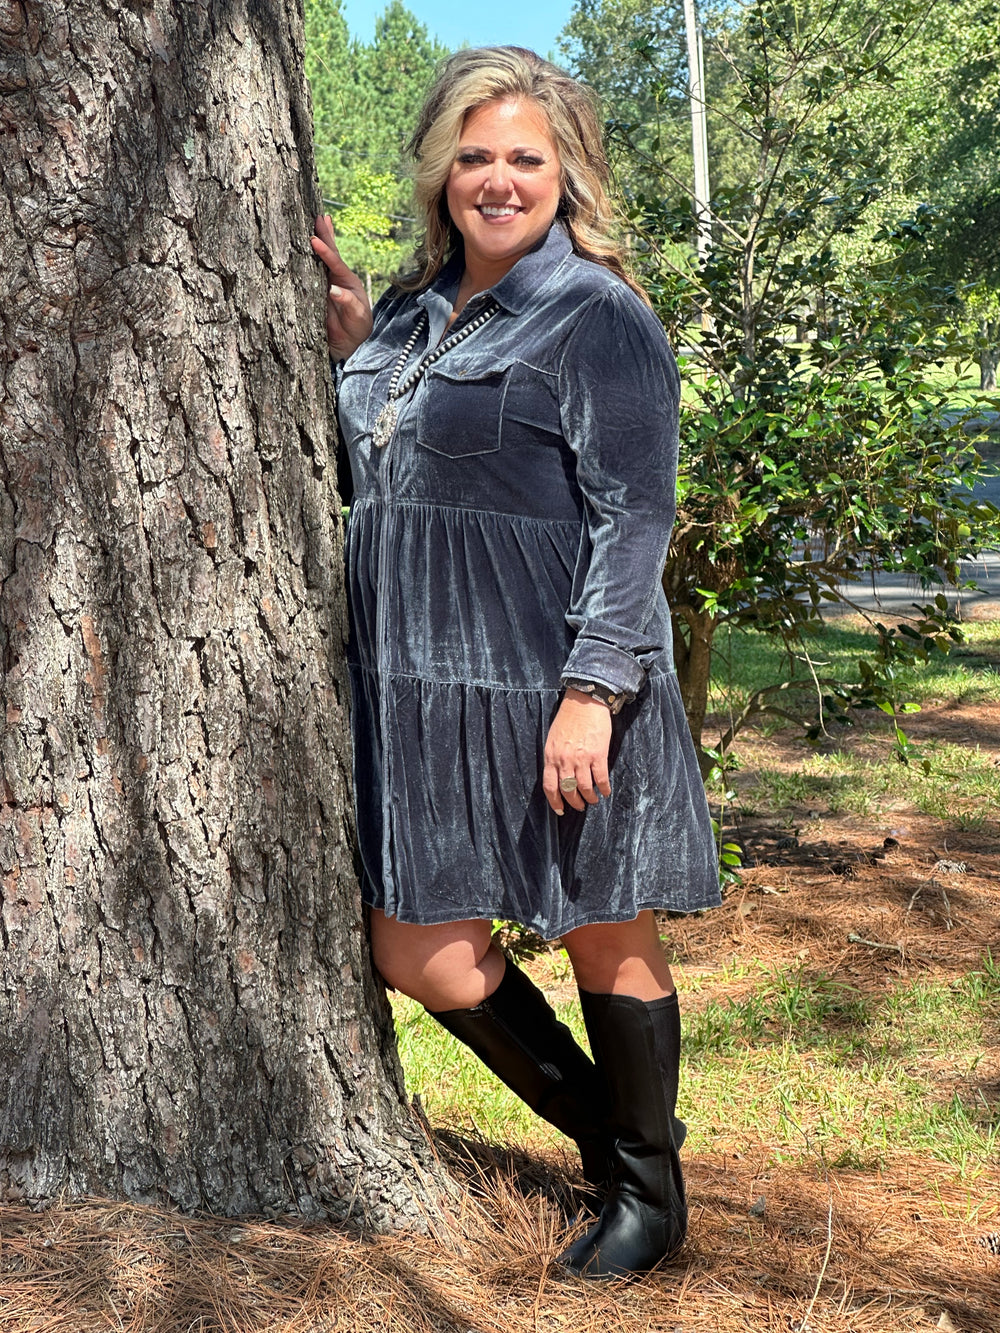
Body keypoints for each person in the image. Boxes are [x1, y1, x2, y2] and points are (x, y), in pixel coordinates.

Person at [311, 46, 720, 1280]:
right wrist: (352, 351)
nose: (497, 180)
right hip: (424, 696)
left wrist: (591, 697)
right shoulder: (404, 316)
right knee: (417, 949)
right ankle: (614, 1136)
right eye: (473, 156)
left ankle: (650, 1198)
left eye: (523, 159)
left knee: (605, 925)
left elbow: (634, 519)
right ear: (441, 173)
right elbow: (388, 470)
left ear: (566, 175)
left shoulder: (597, 315)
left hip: (560, 690)